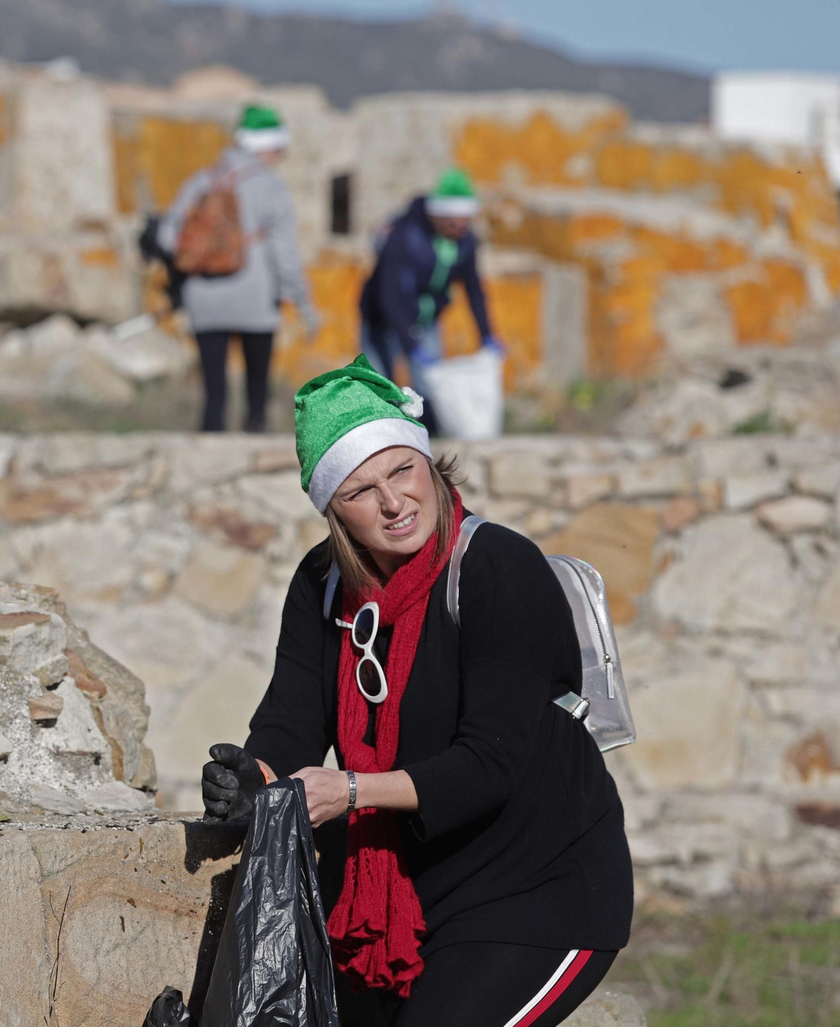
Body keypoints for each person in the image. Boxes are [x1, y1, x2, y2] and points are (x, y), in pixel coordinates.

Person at [201, 355, 632, 1027]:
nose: (394, 502)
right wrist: (253, 779)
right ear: (333, 509)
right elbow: (292, 721)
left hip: (535, 893)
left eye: (402, 470)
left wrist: (348, 793)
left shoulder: (496, 567)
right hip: (393, 899)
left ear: (428, 464)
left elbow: (492, 764)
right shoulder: (322, 586)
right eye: (360, 490)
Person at [158, 104, 315, 432]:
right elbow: (284, 255)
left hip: (203, 296)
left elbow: (167, 236)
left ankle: (208, 455)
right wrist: (302, 303)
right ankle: (252, 442)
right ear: (267, 146)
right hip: (256, 299)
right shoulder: (272, 187)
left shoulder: (199, 181)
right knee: (256, 393)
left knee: (214, 394)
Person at [358, 169, 501, 433]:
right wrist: (410, 344)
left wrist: (487, 335)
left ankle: (427, 443)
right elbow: (391, 297)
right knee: (379, 384)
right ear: (438, 216)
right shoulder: (404, 237)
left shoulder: (464, 242)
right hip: (383, 317)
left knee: (428, 390)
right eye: (455, 223)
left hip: (426, 319)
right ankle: (378, 438)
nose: (461, 229)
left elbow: (473, 289)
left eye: (465, 222)